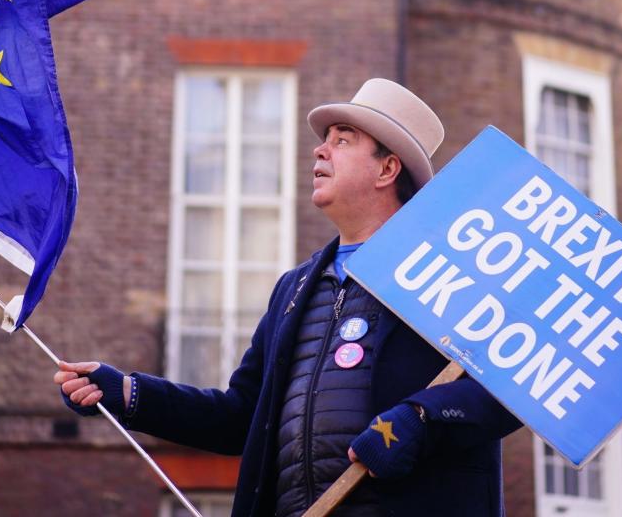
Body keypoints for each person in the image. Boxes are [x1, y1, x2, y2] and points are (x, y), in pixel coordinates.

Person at [55, 78, 523, 516]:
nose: (320, 149)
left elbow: (517, 384)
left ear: (387, 168)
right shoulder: (293, 289)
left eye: (342, 139)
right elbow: (240, 418)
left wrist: (422, 420)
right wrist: (130, 394)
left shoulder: (453, 273)